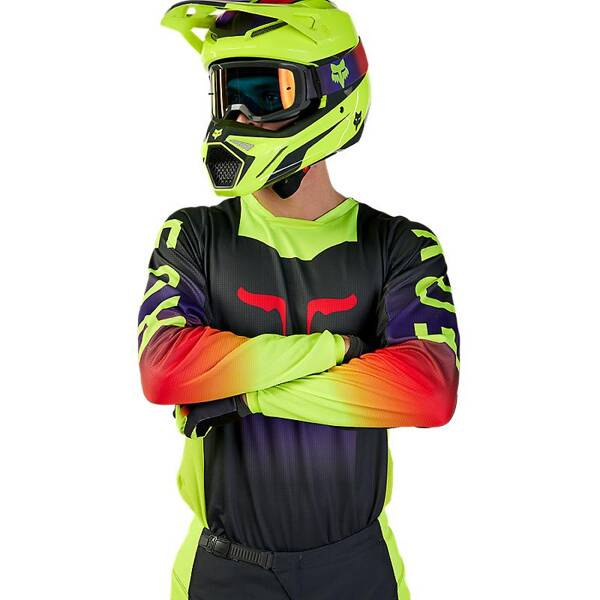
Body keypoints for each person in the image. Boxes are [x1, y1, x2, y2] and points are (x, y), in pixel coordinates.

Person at [137, 1, 460, 598]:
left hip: (355, 564)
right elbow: (166, 372)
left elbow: (426, 391)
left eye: (264, 93)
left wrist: (240, 395)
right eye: (227, 94)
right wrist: (337, 350)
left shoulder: (400, 245)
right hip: (224, 566)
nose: (237, 116)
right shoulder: (193, 234)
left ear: (328, 94)